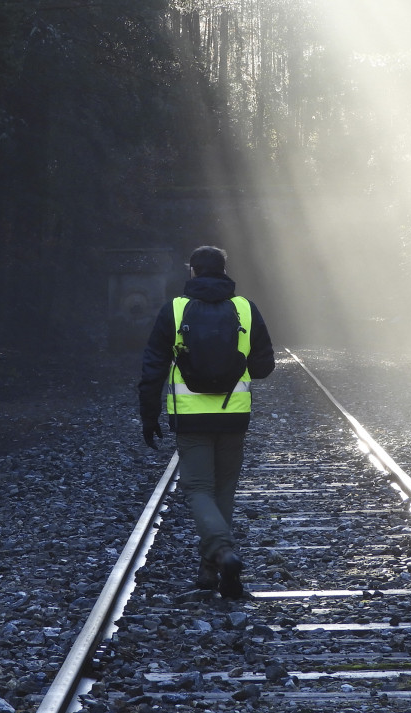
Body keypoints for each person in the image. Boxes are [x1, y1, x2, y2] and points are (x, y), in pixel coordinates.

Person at [138, 246, 275, 598]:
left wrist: (148, 416)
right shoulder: (245, 308)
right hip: (234, 414)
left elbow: (153, 367)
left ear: (193, 271)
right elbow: (263, 368)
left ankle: (222, 552)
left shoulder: (175, 309)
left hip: (191, 416)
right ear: (224, 270)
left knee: (198, 489)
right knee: (224, 489)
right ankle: (212, 570)